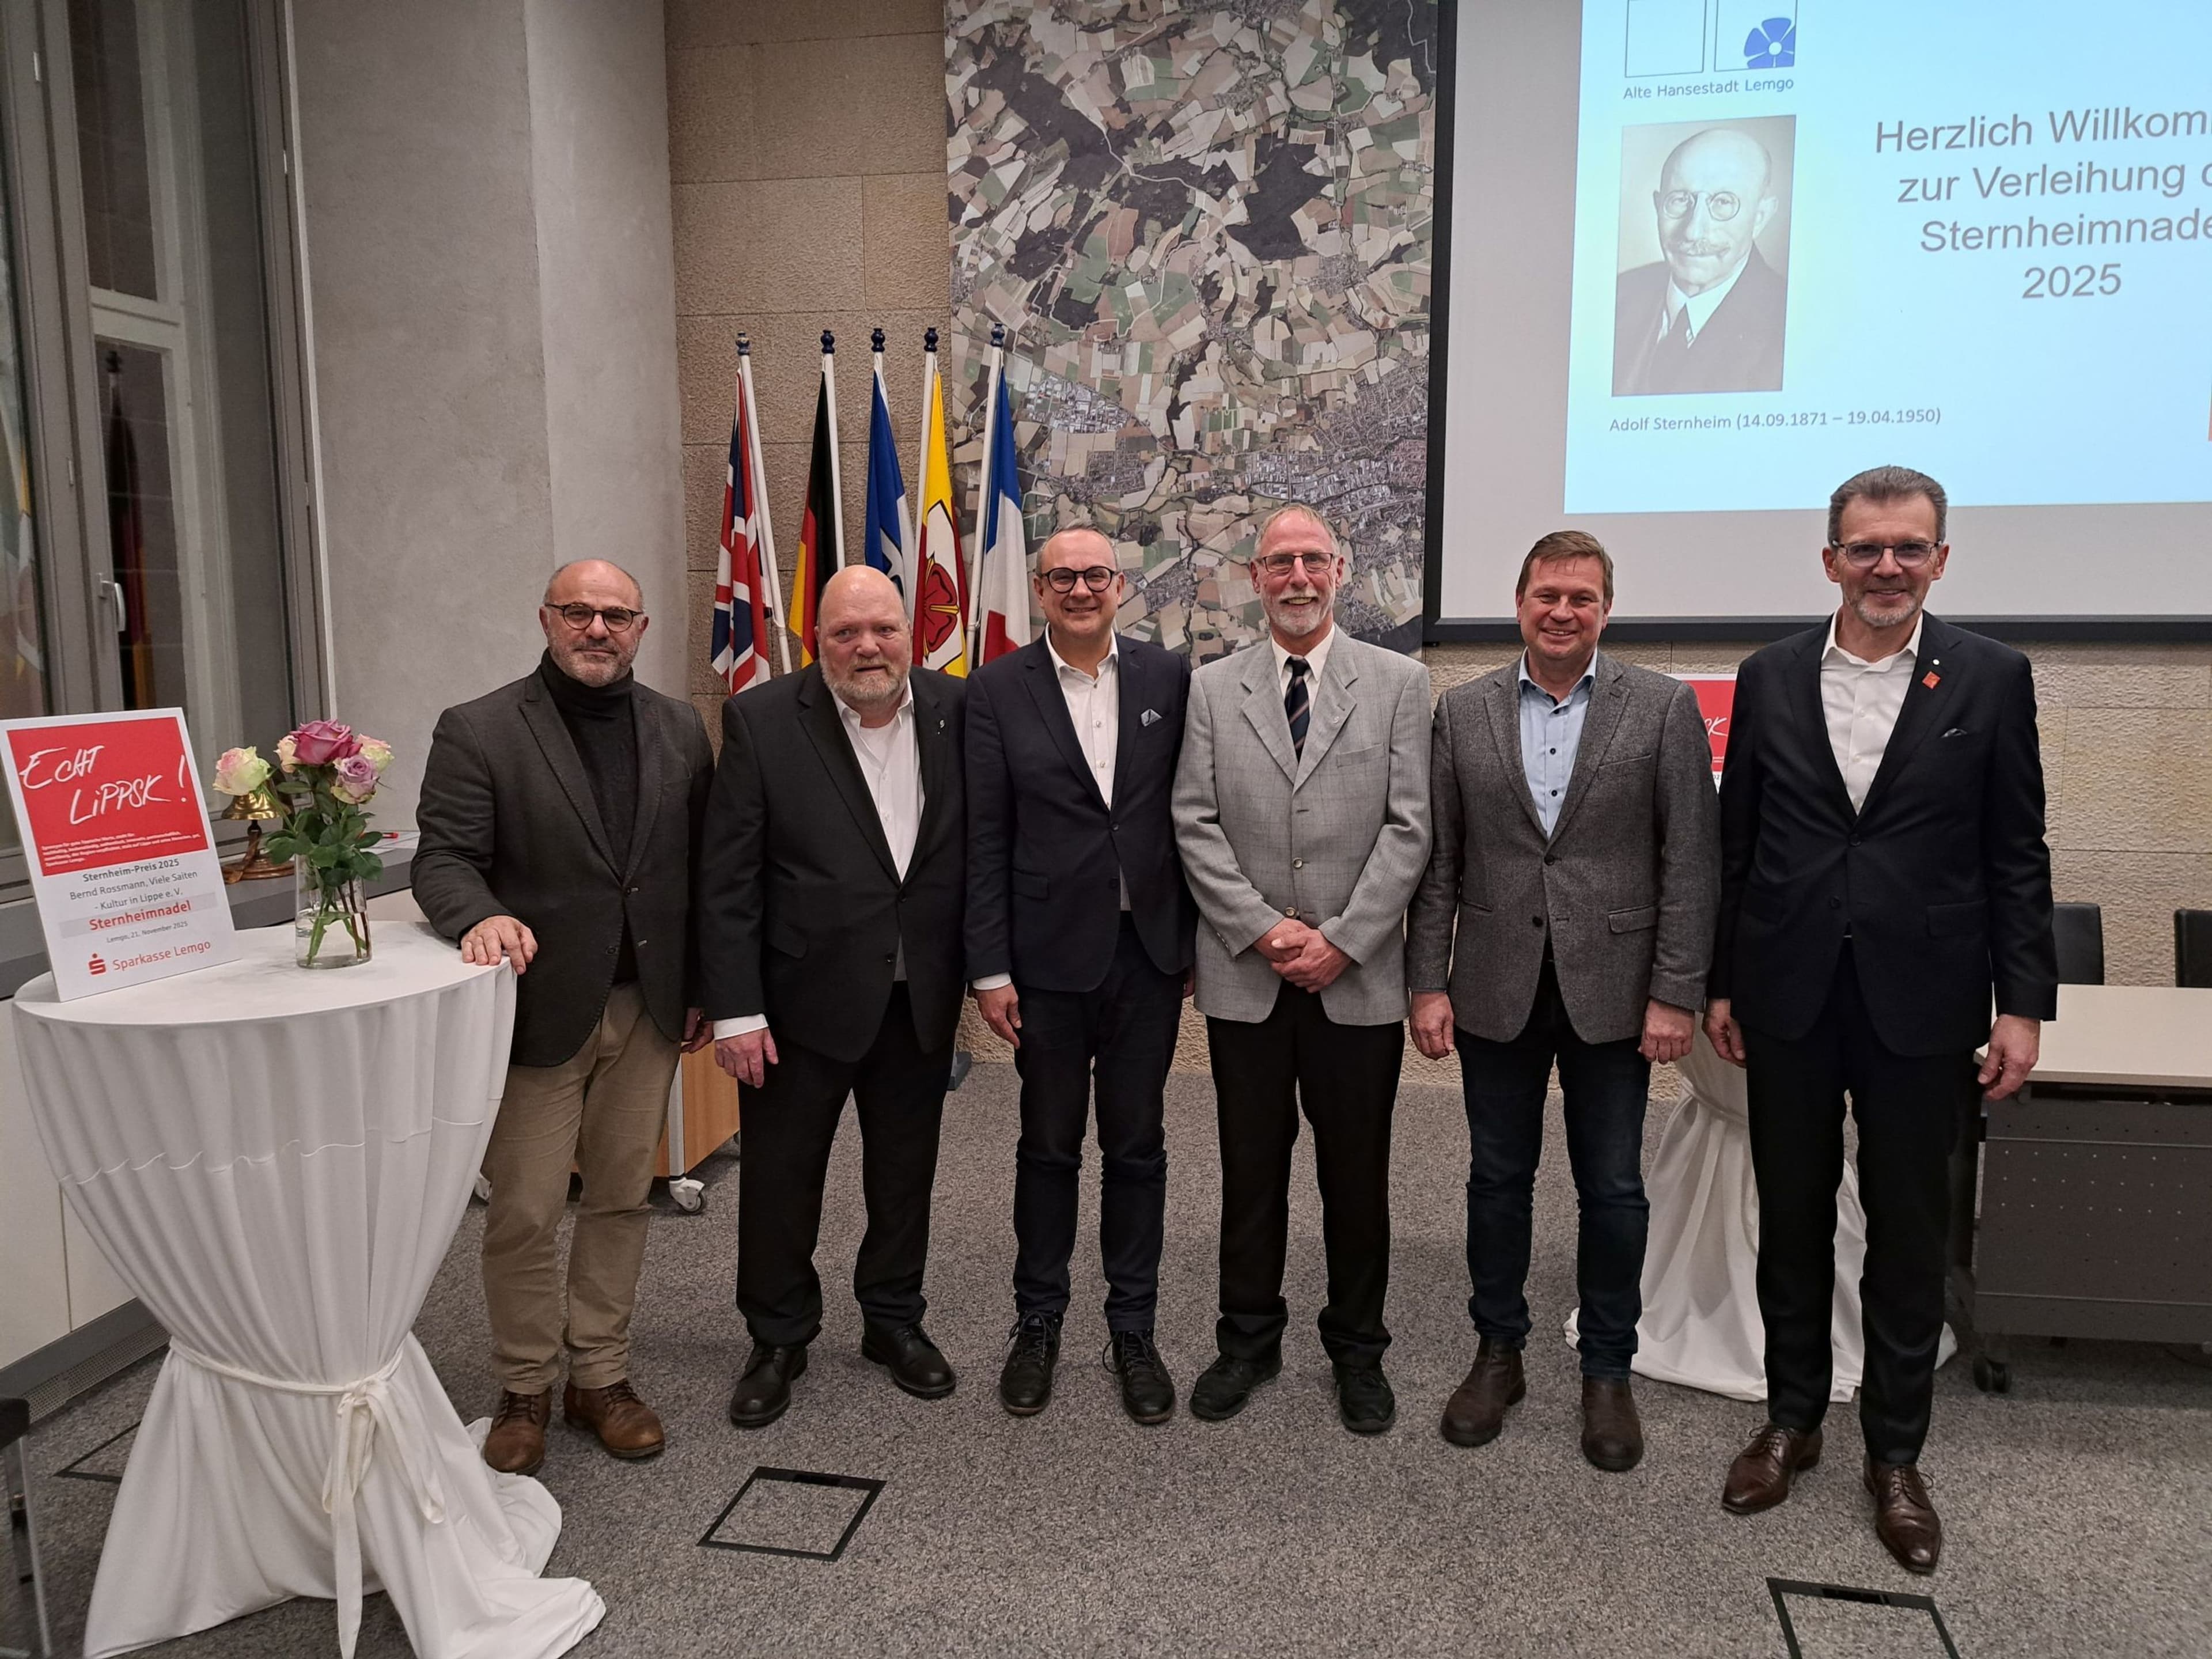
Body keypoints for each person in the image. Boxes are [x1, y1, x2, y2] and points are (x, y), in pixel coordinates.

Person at [1705, 465, 2057, 1574]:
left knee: (1908, 1238)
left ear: (1940, 559)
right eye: (1867, 548)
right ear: (1831, 561)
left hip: (1926, 1001)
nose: (1888, 566)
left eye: (1910, 548)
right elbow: (1740, 845)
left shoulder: (1993, 678)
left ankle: (1895, 1454)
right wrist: (1722, 980)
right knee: (1794, 1222)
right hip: (1790, 997)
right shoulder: (1768, 678)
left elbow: (2016, 853)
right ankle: (1793, 1419)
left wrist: (2025, 1006)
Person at [1407, 531, 1718, 1471]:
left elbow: (1689, 863)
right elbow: (1440, 863)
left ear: (1605, 610)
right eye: (1547, 594)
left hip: (1618, 995)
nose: (1562, 611)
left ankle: (1607, 1370)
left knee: (1613, 1186)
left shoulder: (1662, 709)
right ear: (1519, 602)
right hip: (1495, 984)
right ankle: (1498, 1351)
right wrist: (1427, 979)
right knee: (1496, 1179)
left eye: (1582, 598)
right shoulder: (1461, 714)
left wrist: (1675, 993)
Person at [414, 559, 714, 1476]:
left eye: (616, 615)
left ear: (642, 627)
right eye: (579, 612)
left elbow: (704, 872)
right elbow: (443, 860)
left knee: (624, 1199)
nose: (598, 629)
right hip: (542, 1014)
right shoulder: (480, 730)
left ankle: (602, 1378)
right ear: (545, 617)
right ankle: (524, 1388)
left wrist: (706, 982)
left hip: (651, 1009)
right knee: (528, 1211)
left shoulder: (678, 729)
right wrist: (480, 914)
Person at [1173, 503, 1431, 1434]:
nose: (1296, 578)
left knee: (1356, 1177)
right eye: (1278, 562)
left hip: (1355, 978)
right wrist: (1262, 931)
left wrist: (1342, 940)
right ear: (1254, 578)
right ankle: (1247, 1338)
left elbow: (1411, 828)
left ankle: (1357, 1349)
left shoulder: (1401, 684)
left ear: (1342, 570)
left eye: (1312, 561)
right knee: (1251, 1170)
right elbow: (1194, 821)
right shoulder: (1214, 689)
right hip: (1248, 977)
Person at [699, 565, 967, 1429]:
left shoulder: (958, 712)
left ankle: (894, 1321)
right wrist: (736, 1010)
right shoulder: (763, 720)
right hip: (795, 1004)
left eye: (883, 629)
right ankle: (778, 1336)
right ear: (819, 639)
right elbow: (728, 879)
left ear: (912, 633)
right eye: (847, 631)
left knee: (903, 1174)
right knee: (781, 1179)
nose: (867, 647)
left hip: (918, 995)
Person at [966, 527, 1196, 1424]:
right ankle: (1039, 1319)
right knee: (1048, 1145)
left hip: (1147, 959)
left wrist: (1195, 943)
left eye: (1095, 574)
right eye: (1061, 576)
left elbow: (1192, 814)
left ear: (1119, 585)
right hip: (1045, 963)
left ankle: (1133, 1326)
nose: (1079, 588)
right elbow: (985, 837)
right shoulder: (994, 690)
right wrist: (989, 967)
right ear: (1039, 586)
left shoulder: (1169, 679)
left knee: (1138, 1149)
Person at [1613, 126, 1787, 396]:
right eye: (1680, 200)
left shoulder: (1788, 325)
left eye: (1723, 203)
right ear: (1658, 206)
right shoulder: (1617, 296)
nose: (1693, 231)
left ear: (1761, 217)